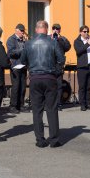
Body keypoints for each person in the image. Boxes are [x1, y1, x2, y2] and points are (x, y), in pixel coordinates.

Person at [21, 20, 64, 148]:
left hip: (34, 78)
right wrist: (55, 71)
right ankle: (54, 140)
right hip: (50, 78)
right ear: (46, 29)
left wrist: (31, 68)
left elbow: (22, 60)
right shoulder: (53, 42)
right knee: (51, 109)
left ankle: (40, 140)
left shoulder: (28, 43)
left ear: (36, 29)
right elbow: (61, 59)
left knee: (37, 110)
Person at [6, 23, 28, 114]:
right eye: (21, 31)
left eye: (23, 31)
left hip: (23, 66)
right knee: (16, 86)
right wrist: (23, 49)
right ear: (16, 30)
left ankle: (21, 105)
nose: (23, 33)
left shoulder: (24, 40)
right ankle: (13, 106)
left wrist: (27, 43)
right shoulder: (11, 39)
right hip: (15, 66)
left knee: (23, 86)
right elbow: (11, 53)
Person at [50, 23, 71, 111]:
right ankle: (50, 103)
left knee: (59, 85)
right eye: (54, 28)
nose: (55, 30)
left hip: (58, 65)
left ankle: (58, 103)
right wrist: (51, 39)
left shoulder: (62, 39)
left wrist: (59, 39)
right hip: (50, 65)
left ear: (60, 30)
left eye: (57, 29)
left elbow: (67, 47)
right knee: (50, 85)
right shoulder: (48, 37)